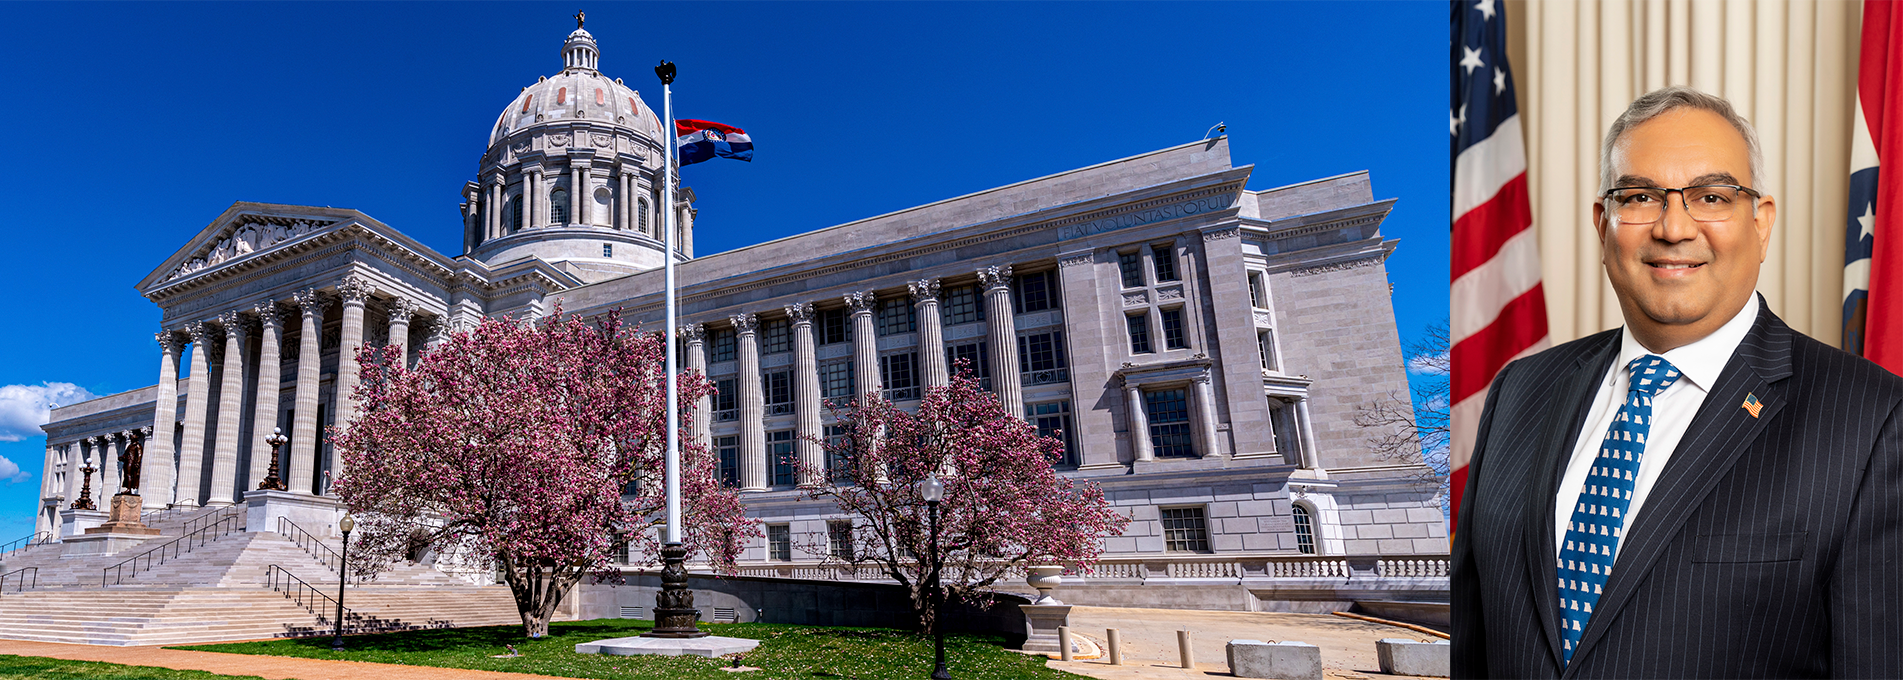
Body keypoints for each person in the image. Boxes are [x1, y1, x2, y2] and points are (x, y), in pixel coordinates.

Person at [1452, 86, 1903, 678]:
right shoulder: (1519, 391)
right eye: (1640, 196)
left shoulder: (1871, 419)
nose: (1673, 228)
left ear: (1761, 224)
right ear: (1603, 225)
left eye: (1711, 196)